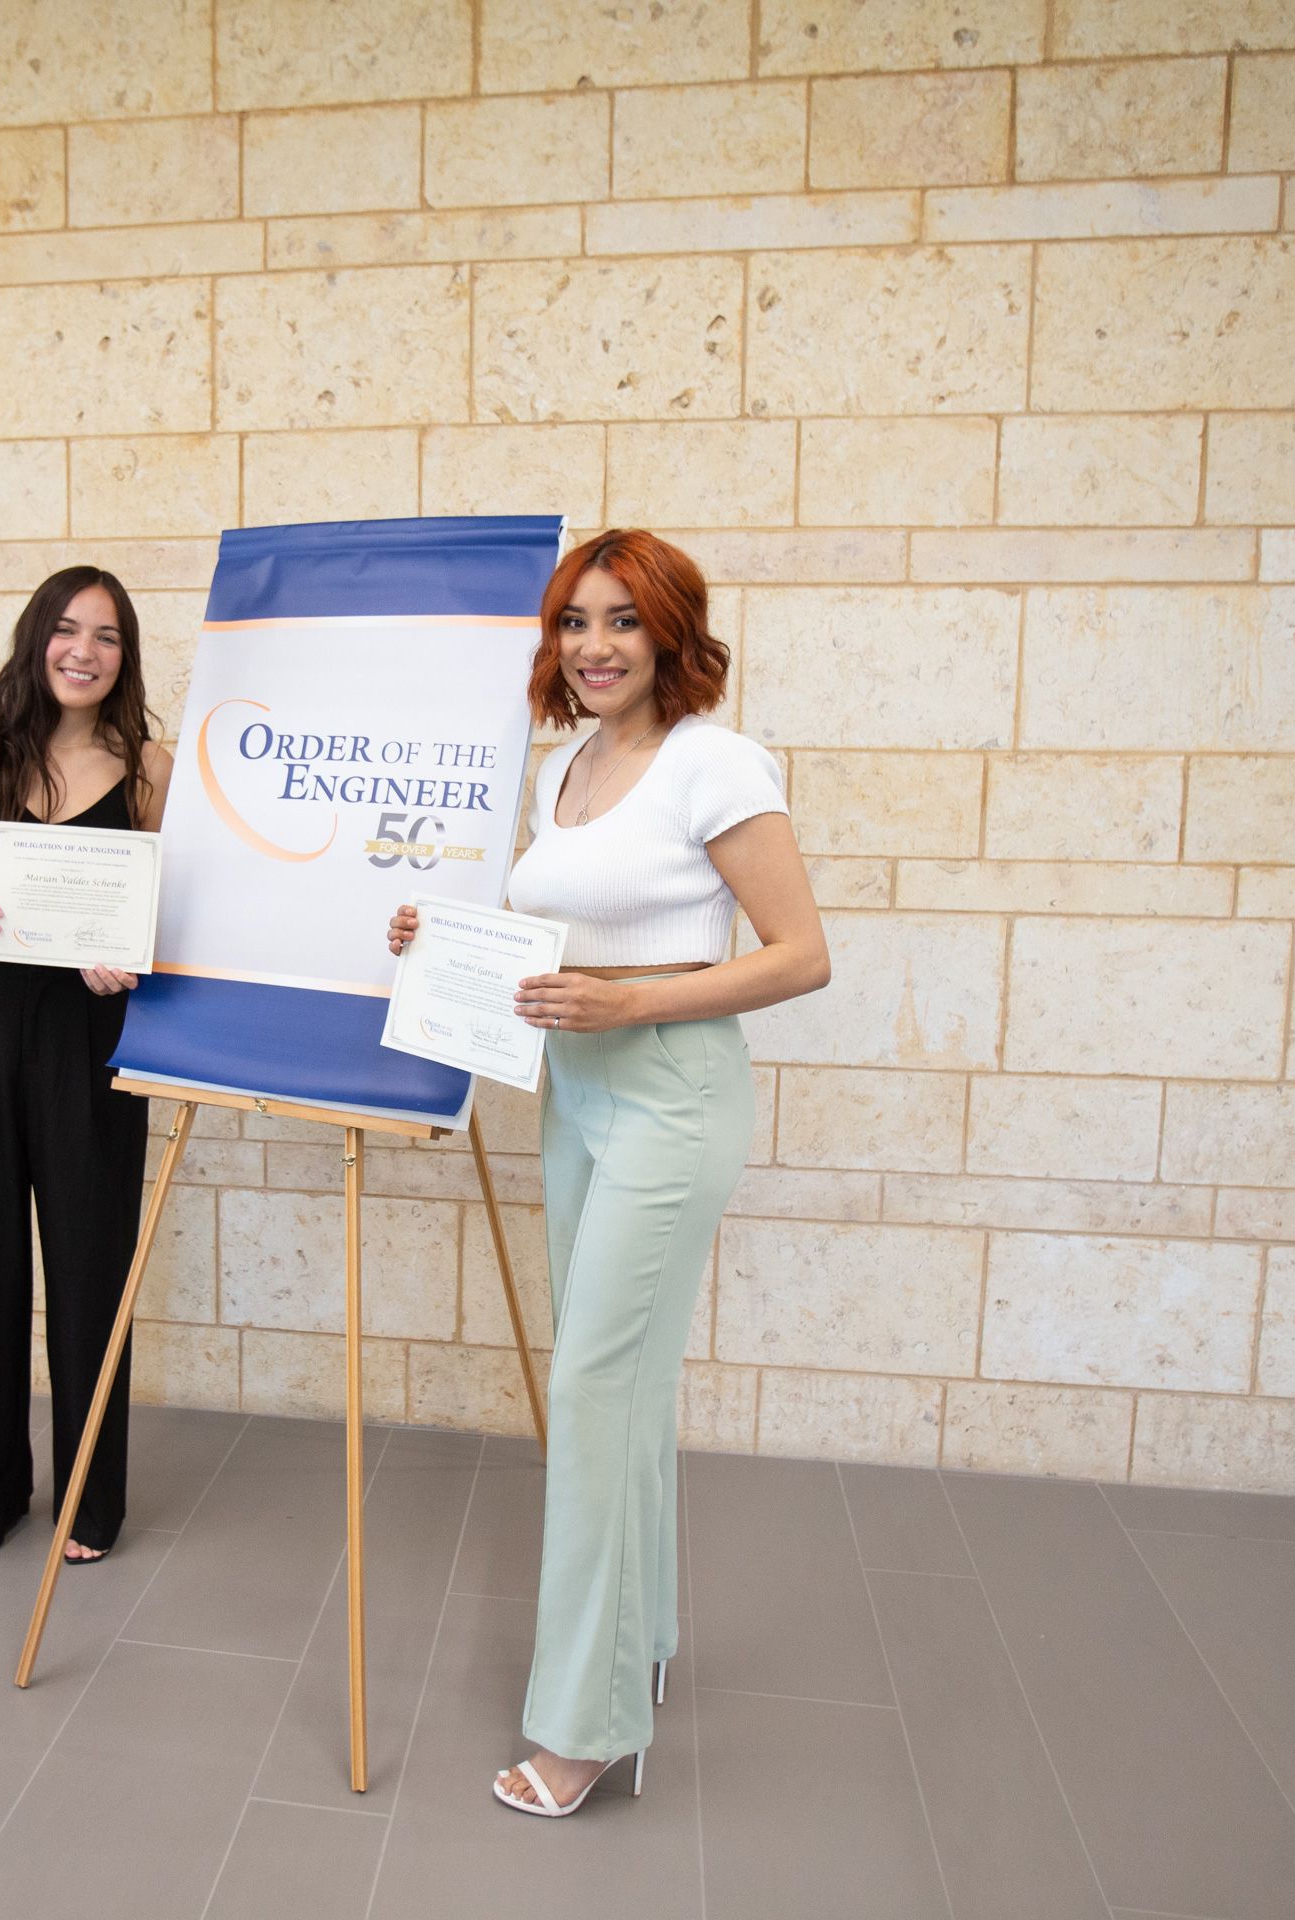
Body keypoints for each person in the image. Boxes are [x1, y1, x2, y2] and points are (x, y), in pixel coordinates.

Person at [388, 530, 829, 1817]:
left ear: (670, 635)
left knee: (587, 1391)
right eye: (575, 622)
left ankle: (585, 1727)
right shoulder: (565, 766)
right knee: (618, 1387)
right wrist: (443, 939)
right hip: (576, 1095)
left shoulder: (717, 763)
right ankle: (637, 1650)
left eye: (622, 624)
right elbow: (560, 943)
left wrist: (628, 1000)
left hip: (673, 1096)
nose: (593, 648)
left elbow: (800, 954)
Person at [0, 566, 172, 1567]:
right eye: (66, 630)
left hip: (88, 1035)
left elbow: (169, 907)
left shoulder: (149, 765)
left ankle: (89, 1505)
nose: (84, 651)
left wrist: (134, 956)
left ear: (124, 656)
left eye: (105, 636)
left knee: (93, 1264)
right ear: (35, 638)